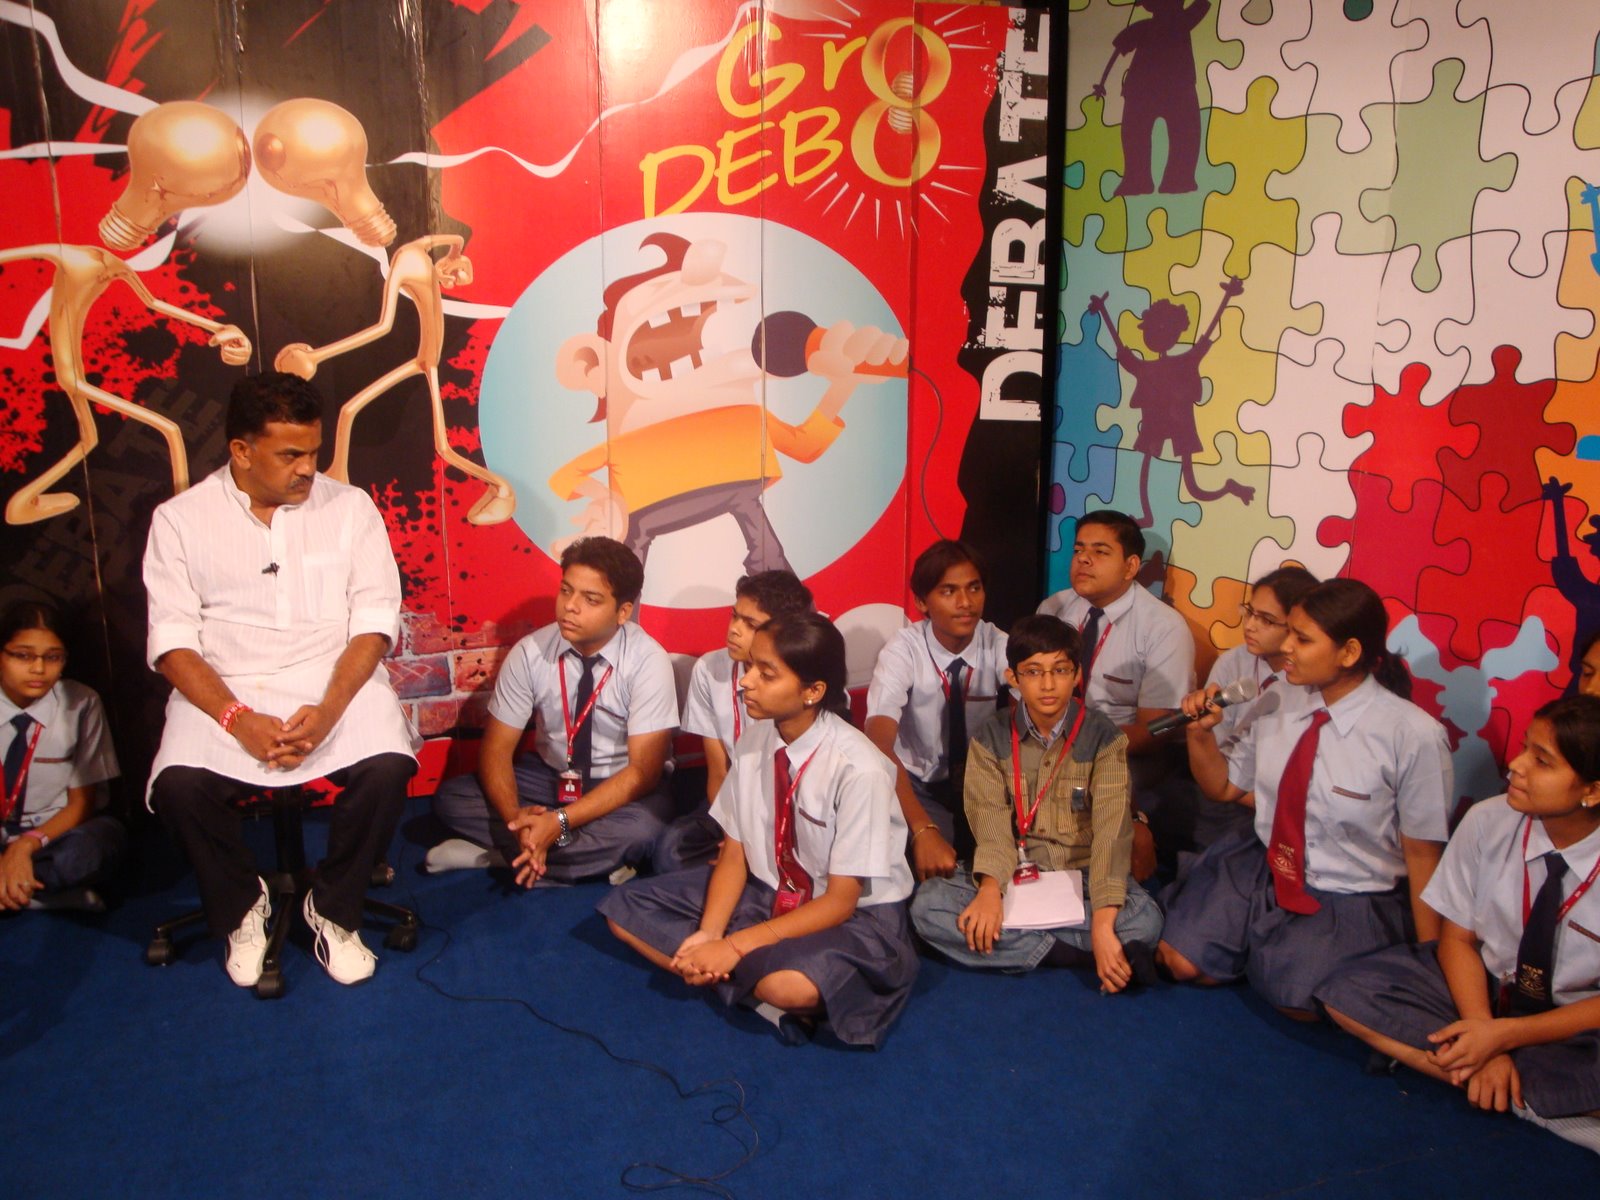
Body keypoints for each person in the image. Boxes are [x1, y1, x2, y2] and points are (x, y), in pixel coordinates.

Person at [144, 372, 420, 988]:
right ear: (242, 450)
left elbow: (374, 623)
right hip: (226, 684)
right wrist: (237, 719)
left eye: (314, 452)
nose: (307, 468)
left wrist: (328, 710)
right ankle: (243, 905)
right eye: (290, 454)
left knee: (388, 765)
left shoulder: (350, 508)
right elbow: (172, 644)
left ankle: (335, 907)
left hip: (333, 680)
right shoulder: (179, 521)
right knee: (179, 787)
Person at [599, 613, 917, 1048]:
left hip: (854, 915)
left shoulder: (859, 769)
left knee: (787, 986)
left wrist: (733, 948)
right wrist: (711, 934)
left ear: (812, 691)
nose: (745, 682)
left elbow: (841, 901)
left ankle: (756, 985)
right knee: (622, 910)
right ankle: (747, 986)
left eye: (766, 674)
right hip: (772, 891)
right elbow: (734, 853)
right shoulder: (754, 740)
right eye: (750, 667)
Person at [1317, 695, 1600, 1157]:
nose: (1516, 766)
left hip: (1573, 1021)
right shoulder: (1488, 819)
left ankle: (1488, 1077)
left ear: (1593, 790)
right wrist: (1482, 1032)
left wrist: (1504, 1038)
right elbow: (1457, 940)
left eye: (1542, 761)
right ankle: (1520, 1093)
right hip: (1486, 994)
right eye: (1524, 748)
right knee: (1347, 992)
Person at [1156, 578, 1453, 1017]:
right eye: (1289, 632)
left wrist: (1428, 961)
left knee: (1291, 997)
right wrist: (1200, 735)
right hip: (1265, 858)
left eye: (1303, 639)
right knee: (1178, 961)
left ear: (1349, 652)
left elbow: (1423, 856)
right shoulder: (1278, 696)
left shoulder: (1414, 736)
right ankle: (1259, 938)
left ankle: (1275, 947)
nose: (1286, 647)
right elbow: (1224, 788)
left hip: (1347, 889)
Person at [909, 615, 1162, 989]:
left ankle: (1052, 943)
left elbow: (1112, 834)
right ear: (1012, 678)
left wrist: (1104, 920)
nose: (1047, 685)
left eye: (1060, 670)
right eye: (1033, 672)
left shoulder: (1104, 737)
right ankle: (1085, 953)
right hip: (1015, 870)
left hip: (1085, 875)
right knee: (928, 906)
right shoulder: (990, 738)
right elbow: (991, 827)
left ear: (1077, 675)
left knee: (1146, 919)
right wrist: (990, 891)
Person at [427, 536, 679, 882]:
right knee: (452, 799)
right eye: (565, 591)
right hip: (550, 777)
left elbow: (642, 773)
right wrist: (515, 819)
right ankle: (560, 852)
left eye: (590, 599)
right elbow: (496, 750)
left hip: (620, 784)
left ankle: (500, 858)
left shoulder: (648, 661)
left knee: (643, 830)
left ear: (623, 612)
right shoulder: (531, 651)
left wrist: (559, 821)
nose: (570, 607)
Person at [1038, 509, 1195, 871]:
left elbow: (1158, 728)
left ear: (1130, 566)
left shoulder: (1163, 627)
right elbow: (1025, 693)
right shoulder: (1054, 608)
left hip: (1125, 757)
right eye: (1079, 550)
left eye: (1100, 551)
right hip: (1049, 742)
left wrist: (1084, 748)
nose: (1084, 560)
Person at [866, 540, 1008, 880]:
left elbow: (1036, 719)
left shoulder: (999, 643)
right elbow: (878, 743)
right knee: (929, 871)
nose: (966, 602)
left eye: (974, 588)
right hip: (920, 786)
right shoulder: (903, 650)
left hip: (986, 785)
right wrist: (922, 829)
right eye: (948, 591)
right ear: (921, 602)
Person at [659, 570, 815, 869]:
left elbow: (809, 781)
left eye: (750, 624)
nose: (734, 630)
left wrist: (755, 839)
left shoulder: (802, 677)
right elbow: (718, 772)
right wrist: (734, 833)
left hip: (792, 803)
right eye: (734, 616)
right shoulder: (709, 669)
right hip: (734, 800)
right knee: (669, 851)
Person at [0, 600, 125, 912]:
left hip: (53, 835)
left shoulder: (81, 703)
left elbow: (82, 804)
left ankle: (15, 890)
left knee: (87, 851)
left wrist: (24, 846)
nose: (38, 669)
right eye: (22, 655)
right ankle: (39, 896)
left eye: (53, 657)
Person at [1187, 565, 1319, 851]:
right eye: (1249, 612)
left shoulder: (1311, 684)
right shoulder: (1233, 662)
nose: (1249, 626)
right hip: (1228, 789)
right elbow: (1218, 756)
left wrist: (1265, 800)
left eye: (1267, 620)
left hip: (1280, 809)